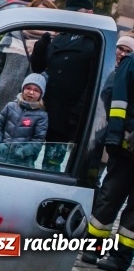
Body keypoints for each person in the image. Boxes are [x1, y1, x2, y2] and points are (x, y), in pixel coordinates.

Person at [80, 34, 134, 266]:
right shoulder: (131, 63)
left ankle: (121, 257)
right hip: (125, 149)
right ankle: (94, 248)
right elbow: (118, 102)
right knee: (109, 197)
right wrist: (114, 136)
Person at [31, 0, 96, 171]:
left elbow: (92, 83)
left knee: (51, 165)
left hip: (66, 115)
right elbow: (38, 68)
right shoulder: (61, 36)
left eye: (77, 13)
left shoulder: (94, 42)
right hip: (44, 108)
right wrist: (41, 47)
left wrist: (76, 114)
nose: (72, 17)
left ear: (89, 13)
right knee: (27, 157)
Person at [0, 0, 57, 111]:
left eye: (44, 14)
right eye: (36, 13)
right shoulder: (14, 35)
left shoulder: (54, 43)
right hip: (0, 101)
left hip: (30, 110)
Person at [0, 73, 48, 167]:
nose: (31, 92)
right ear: (23, 89)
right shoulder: (10, 106)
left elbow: (38, 140)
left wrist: (23, 151)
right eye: (28, 88)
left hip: (22, 162)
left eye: (36, 90)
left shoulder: (42, 115)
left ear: (41, 94)